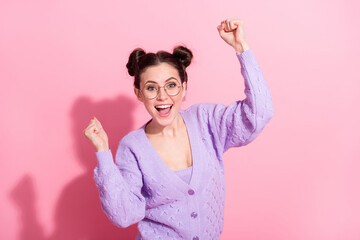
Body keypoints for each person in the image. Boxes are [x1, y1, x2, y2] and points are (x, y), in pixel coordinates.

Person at [83, 18, 274, 240]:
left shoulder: (206, 121)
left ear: (184, 87)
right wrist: (103, 152)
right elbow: (124, 215)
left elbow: (259, 114)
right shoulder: (132, 147)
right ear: (139, 93)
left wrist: (241, 48)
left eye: (171, 85)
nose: (163, 96)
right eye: (151, 88)